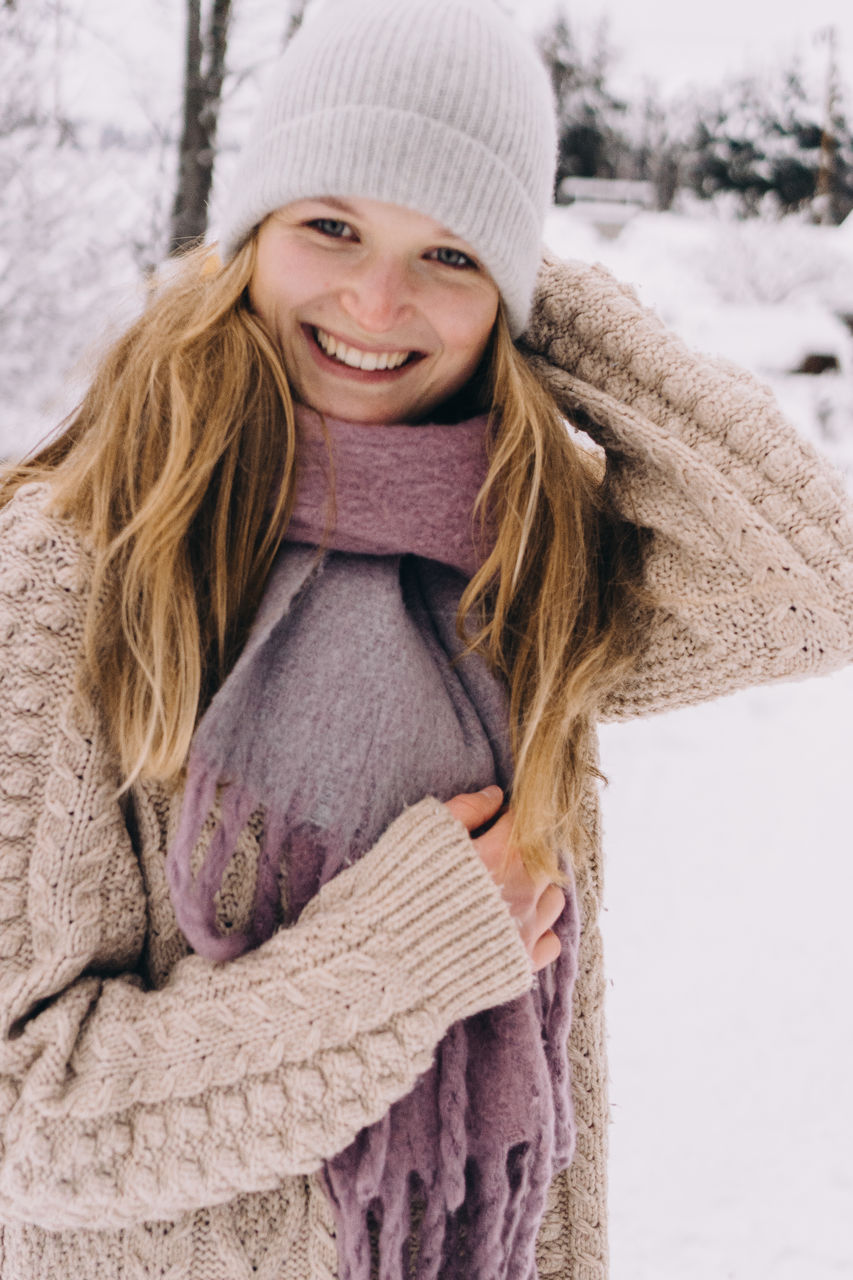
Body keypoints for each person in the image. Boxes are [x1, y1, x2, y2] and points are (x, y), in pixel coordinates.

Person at [0, 0, 851, 1276]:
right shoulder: (75, 566)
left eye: (442, 256)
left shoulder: (521, 558)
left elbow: (808, 581)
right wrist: (413, 951)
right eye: (330, 224)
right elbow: (26, 1121)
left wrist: (523, 282)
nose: (377, 300)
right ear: (248, 234)